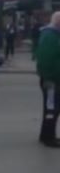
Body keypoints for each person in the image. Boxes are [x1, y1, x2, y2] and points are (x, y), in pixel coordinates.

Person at [35, 11, 60, 148]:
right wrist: (51, 76)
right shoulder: (51, 36)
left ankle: (46, 135)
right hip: (51, 80)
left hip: (51, 79)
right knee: (51, 109)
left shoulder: (51, 34)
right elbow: (47, 59)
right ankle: (48, 138)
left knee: (51, 108)